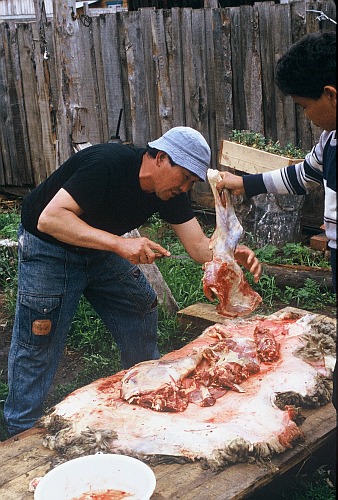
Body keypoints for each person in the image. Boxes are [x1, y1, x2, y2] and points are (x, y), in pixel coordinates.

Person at [4, 126, 261, 436]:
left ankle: (146, 387)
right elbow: (51, 219)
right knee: (39, 338)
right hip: (49, 245)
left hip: (96, 247)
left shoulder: (171, 190)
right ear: (163, 159)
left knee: (139, 304)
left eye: (193, 182)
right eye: (186, 179)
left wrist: (229, 254)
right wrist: (119, 244)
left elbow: (197, 248)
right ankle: (19, 429)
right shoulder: (107, 164)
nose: (185, 189)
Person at [217, 31, 336, 408]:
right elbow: (303, 176)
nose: (305, 115)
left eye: (304, 105)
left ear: (331, 95)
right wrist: (246, 184)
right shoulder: (331, 140)